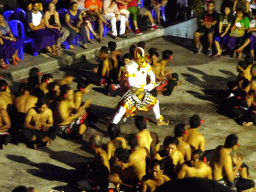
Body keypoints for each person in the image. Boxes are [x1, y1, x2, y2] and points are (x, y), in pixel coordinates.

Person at [109, 47, 169, 126]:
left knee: (155, 102)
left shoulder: (145, 64)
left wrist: (152, 83)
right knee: (121, 110)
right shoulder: (130, 66)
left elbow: (151, 74)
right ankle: (112, 127)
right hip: (132, 93)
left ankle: (159, 120)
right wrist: (145, 87)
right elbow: (131, 83)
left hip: (142, 92)